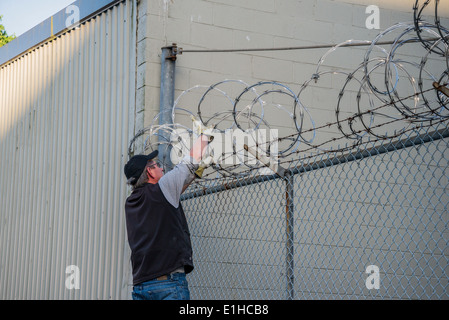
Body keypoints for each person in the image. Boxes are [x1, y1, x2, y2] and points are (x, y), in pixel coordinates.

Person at [123, 135, 209, 300]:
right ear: (149, 171)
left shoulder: (131, 203)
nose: (161, 169)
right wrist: (204, 136)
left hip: (141, 286)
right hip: (169, 284)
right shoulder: (162, 189)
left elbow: (170, 194)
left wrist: (193, 176)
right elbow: (189, 162)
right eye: (157, 166)